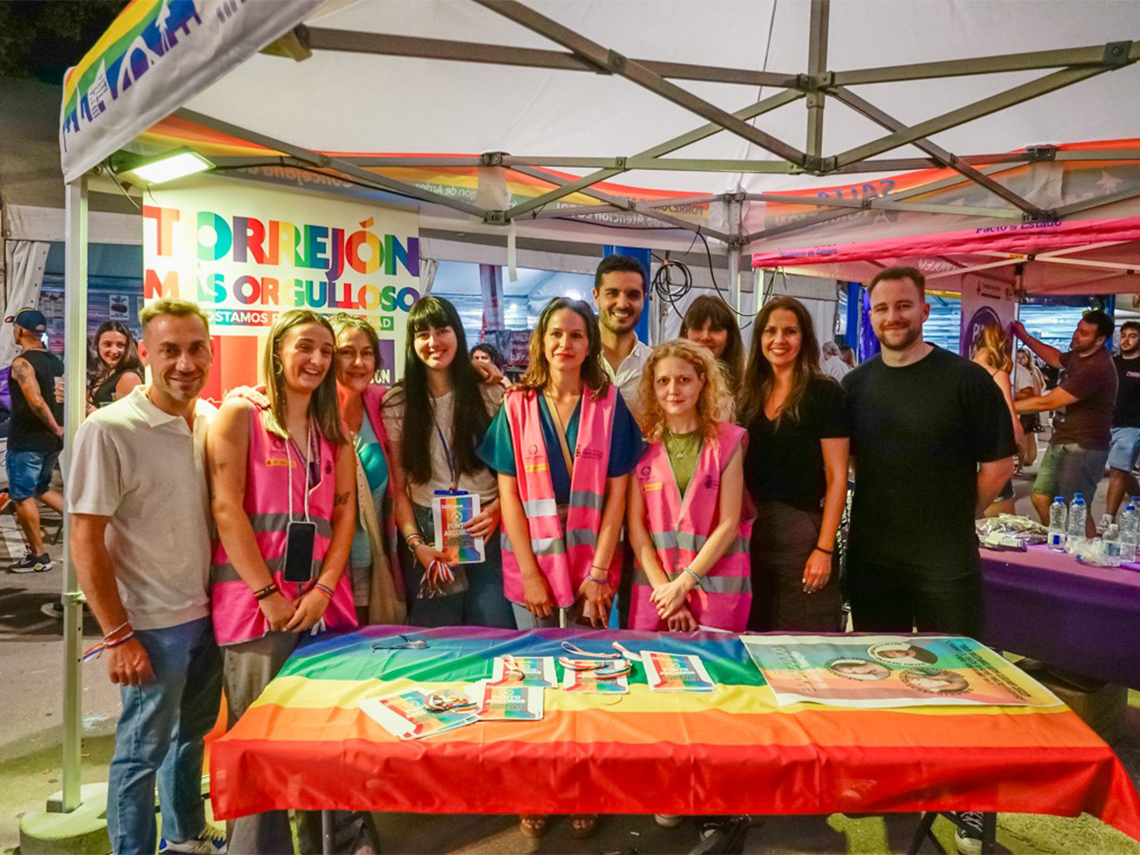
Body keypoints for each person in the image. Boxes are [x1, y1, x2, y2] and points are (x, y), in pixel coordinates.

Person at [479, 297, 643, 842]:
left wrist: (599, 572)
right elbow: (508, 495)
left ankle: (584, 787)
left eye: (576, 335)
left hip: (593, 558)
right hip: (531, 558)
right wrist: (530, 573)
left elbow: (618, 495)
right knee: (534, 681)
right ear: (541, 341)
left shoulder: (609, 403)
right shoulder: (517, 404)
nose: (564, 344)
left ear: (589, 343)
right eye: (555, 334)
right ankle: (537, 788)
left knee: (588, 681)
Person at [68, 298, 224, 855]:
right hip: (152, 625)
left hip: (211, 615)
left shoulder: (211, 421)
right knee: (140, 754)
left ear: (211, 352)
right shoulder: (109, 429)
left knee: (191, 737)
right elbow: (84, 537)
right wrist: (117, 635)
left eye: (196, 349)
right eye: (170, 350)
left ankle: (184, 834)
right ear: (145, 353)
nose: (185, 363)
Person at [208, 309, 358, 855]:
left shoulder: (333, 432)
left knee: (325, 741)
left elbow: (344, 515)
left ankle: (328, 845)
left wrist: (324, 588)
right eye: (305, 347)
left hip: (322, 609)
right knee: (259, 748)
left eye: (326, 351)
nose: (316, 360)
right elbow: (226, 509)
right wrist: (267, 594)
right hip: (256, 613)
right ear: (277, 350)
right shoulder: (240, 415)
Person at [842, 267, 1015, 638]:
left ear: (924, 310)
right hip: (872, 558)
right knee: (878, 662)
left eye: (903, 305)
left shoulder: (969, 381)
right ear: (871, 316)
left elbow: (999, 467)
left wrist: (957, 515)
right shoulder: (854, 386)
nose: (892, 316)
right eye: (882, 308)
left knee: (955, 662)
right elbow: (853, 462)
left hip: (946, 559)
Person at [382, 297, 514, 628]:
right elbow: (399, 488)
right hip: (428, 532)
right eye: (422, 334)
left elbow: (514, 471)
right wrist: (415, 544)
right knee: (439, 638)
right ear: (412, 342)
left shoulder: (490, 393)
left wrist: (498, 509)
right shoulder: (398, 403)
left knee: (494, 632)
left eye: (442, 330)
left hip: (486, 525)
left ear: (457, 333)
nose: (433, 341)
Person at [627, 340, 751, 633]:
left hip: (715, 593)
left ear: (701, 382)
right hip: (657, 595)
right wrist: (668, 594)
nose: (673, 390)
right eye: (663, 381)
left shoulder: (728, 441)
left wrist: (683, 584)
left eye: (684, 379)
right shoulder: (641, 445)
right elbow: (636, 529)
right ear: (652, 386)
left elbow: (729, 523)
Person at [740, 297, 848, 632]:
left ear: (805, 338)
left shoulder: (824, 393)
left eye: (790, 331)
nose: (779, 340)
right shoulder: (748, 394)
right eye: (770, 331)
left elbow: (837, 477)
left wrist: (824, 548)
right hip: (750, 533)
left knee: (802, 636)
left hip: (803, 535)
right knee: (753, 631)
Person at [1013, 310, 1117, 536]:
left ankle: (1086, 550)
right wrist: (1024, 336)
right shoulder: (1080, 355)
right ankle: (1059, 541)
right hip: (1061, 440)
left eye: (1084, 333)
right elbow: (1056, 358)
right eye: (1078, 329)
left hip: (1084, 447)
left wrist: (1005, 405)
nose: (1076, 335)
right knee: (1041, 496)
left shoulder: (1095, 368)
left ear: (1100, 340)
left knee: (1075, 509)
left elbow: (1048, 402)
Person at [331, 314, 406, 626]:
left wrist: (482, 372)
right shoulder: (308, 408)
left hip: (371, 568)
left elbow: (433, 384)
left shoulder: (381, 402)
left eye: (367, 353)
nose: (359, 363)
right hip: (322, 573)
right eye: (346, 352)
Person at [6, 308, 64, 573]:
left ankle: (39, 557)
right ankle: (81, 524)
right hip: (51, 443)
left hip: (28, 440)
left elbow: (36, 401)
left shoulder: (22, 363)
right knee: (41, 487)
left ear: (20, 331)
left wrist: (55, 428)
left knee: (22, 496)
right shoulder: (56, 362)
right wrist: (58, 431)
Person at [971, 325, 1024, 517]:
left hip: (962, 454)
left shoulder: (957, 372)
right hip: (990, 454)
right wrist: (1019, 451)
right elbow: (1011, 422)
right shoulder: (997, 375)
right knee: (1001, 524)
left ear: (975, 346)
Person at [594, 255, 651, 411]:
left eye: (633, 295)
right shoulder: (576, 359)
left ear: (644, 300)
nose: (622, 304)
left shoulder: (655, 365)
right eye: (612, 293)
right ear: (596, 296)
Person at [679, 295, 746, 395]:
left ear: (729, 338)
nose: (705, 337)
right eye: (697, 328)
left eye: (715, 329)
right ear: (685, 334)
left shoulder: (747, 387)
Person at [1106, 321, 1140, 517]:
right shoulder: (1111, 363)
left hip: (1132, 427)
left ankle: (1107, 519)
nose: (1126, 340)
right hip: (1105, 424)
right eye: (1123, 335)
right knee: (1122, 471)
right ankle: (1138, 497)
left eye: (1132, 336)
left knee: (1118, 470)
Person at [87, 320, 144, 412]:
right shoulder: (104, 373)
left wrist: (86, 406)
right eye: (107, 345)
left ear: (128, 348)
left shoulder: (129, 377)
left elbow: (124, 418)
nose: (114, 351)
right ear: (97, 346)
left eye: (120, 345)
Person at [1014, 348, 1046, 468]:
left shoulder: (1032, 371)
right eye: (1018, 357)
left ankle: (1027, 458)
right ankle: (1026, 458)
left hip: (1028, 406)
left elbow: (1039, 388)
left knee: (1028, 433)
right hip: (1026, 405)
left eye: (1023, 357)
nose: (1020, 360)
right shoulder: (1017, 371)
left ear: (1028, 358)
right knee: (1027, 433)